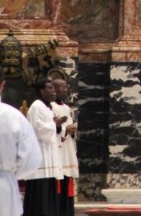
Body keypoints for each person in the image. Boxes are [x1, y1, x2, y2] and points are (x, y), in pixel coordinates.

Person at [0, 65, 42, 216]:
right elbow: (32, 159)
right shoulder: (14, 117)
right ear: (2, 85)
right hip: (4, 187)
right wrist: (10, 174)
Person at [23, 78, 64, 216]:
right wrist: (55, 124)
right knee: (40, 196)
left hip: (49, 156)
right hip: (41, 159)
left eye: (54, 88)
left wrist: (57, 126)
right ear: (41, 91)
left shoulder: (47, 107)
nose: (54, 91)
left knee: (49, 194)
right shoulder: (36, 106)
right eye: (50, 88)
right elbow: (37, 129)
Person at [50, 79, 78, 216]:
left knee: (68, 180)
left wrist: (71, 131)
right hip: (58, 151)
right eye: (61, 87)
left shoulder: (67, 108)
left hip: (68, 149)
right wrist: (65, 130)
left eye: (66, 87)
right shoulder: (50, 107)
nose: (65, 90)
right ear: (53, 89)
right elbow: (51, 130)